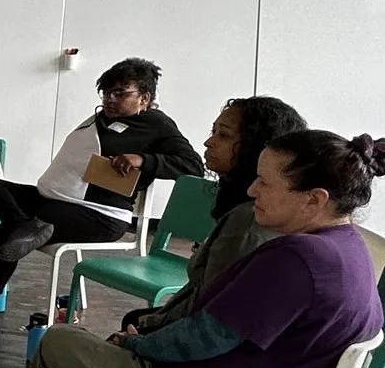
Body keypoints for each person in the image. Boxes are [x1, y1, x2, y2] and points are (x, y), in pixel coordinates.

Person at [21, 130, 385, 368]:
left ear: (314, 199)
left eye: (264, 182)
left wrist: (132, 344)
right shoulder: (351, 250)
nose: (251, 190)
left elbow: (202, 337)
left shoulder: (299, 260)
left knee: (58, 343)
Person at [0, 57, 206, 346]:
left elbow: (192, 166)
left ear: (145, 98)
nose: (110, 100)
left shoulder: (157, 124)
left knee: (10, 232)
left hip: (100, 215)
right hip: (53, 200)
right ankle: (23, 224)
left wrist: (144, 160)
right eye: (106, 93)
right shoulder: (100, 118)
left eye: (120, 93)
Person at [117, 94, 304, 336]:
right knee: (135, 319)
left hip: (197, 340)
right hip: (197, 325)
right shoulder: (243, 206)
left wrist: (144, 335)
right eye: (213, 132)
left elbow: (210, 312)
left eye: (224, 135)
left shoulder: (250, 220)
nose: (208, 142)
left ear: (256, 147)